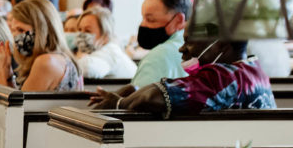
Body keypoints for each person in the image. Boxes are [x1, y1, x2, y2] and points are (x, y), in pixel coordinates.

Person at [107, 39, 274, 117]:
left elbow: (151, 97)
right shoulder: (252, 69)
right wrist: (136, 91)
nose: (182, 48)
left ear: (221, 43)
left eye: (190, 41)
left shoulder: (224, 77)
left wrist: (118, 103)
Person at [89, 0, 190, 108]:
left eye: (150, 19)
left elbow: (136, 107)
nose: (143, 25)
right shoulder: (195, 47)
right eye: (143, 18)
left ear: (178, 20)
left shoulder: (160, 56)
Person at [0, 0, 83, 91]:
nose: (15, 36)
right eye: (13, 30)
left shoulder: (46, 62)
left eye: (21, 30)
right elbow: (18, 98)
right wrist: (6, 71)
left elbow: (16, 110)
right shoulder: (57, 57)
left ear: (42, 30)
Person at [74, 7, 137, 79]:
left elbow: (88, 69)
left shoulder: (110, 52)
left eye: (88, 31)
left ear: (105, 36)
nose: (81, 34)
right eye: (79, 30)